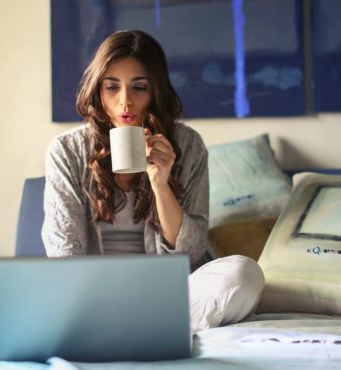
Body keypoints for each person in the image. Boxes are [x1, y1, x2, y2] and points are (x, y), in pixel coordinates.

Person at [41, 30, 264, 332]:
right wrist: (83, 294)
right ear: (97, 90)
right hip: (91, 293)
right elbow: (64, 249)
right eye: (112, 87)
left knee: (244, 274)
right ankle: (141, 323)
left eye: (139, 87)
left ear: (155, 91)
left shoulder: (188, 145)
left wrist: (161, 183)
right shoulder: (67, 150)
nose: (126, 102)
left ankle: (119, 324)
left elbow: (191, 251)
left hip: (168, 292)